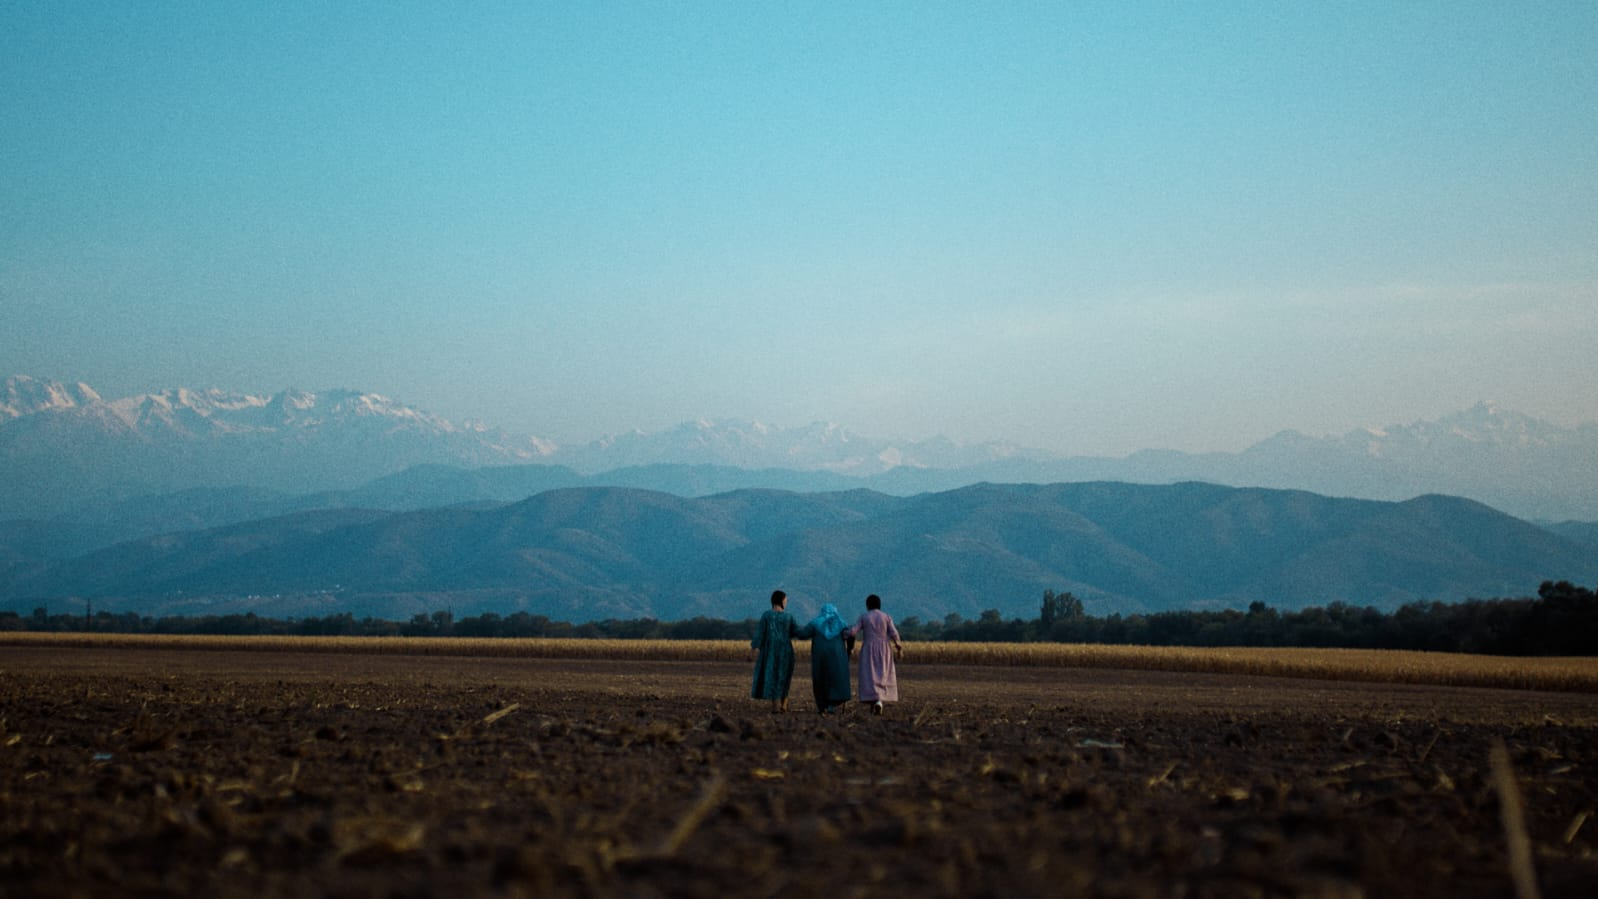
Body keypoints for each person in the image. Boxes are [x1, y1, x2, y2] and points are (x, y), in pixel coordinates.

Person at [845, 593, 902, 715]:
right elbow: (894, 634)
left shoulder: (864, 617)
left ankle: (874, 700)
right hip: (884, 648)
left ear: (867, 605)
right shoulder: (886, 617)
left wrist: (843, 635)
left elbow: (853, 632)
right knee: (883, 674)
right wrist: (898, 647)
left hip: (868, 648)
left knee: (870, 675)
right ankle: (879, 700)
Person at [795, 602, 852, 714]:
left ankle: (823, 706)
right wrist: (850, 649)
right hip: (838, 657)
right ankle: (832, 704)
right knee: (837, 679)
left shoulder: (815, 623)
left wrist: (791, 629)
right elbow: (851, 636)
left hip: (820, 658)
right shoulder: (841, 623)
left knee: (821, 678)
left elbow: (802, 634)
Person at [749, 589, 799, 712]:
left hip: (770, 651)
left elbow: (759, 634)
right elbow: (797, 632)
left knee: (772, 675)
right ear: (781, 601)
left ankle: (775, 705)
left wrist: (753, 649)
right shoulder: (789, 617)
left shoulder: (767, 616)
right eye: (786, 600)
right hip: (786, 651)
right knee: (785, 675)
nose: (786, 603)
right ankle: (784, 704)